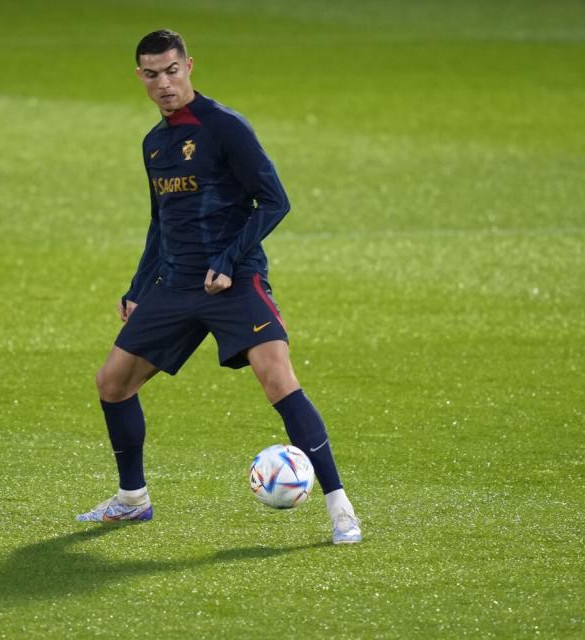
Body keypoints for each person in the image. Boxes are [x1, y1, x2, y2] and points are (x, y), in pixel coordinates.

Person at [76, 29, 362, 544]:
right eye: (152, 74)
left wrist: (230, 260)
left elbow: (273, 200)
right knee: (112, 383)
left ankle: (341, 508)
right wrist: (139, 285)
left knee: (278, 379)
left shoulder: (225, 127)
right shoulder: (155, 143)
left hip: (235, 281)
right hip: (176, 283)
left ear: (189, 66)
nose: (164, 83)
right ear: (139, 77)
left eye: (172, 70)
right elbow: (160, 222)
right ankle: (132, 500)